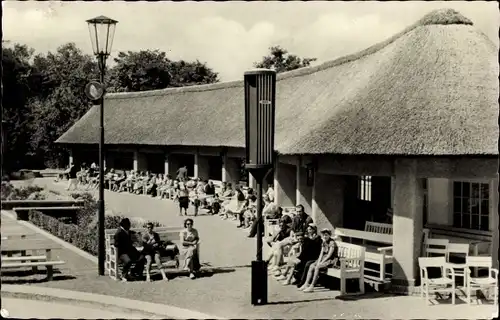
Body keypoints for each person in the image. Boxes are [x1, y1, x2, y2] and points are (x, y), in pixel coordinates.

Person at [299, 228, 339, 292]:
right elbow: (321, 253)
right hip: (324, 258)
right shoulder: (324, 242)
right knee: (312, 266)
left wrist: (321, 262)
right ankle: (306, 284)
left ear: (329, 235)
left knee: (317, 267)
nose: (325, 236)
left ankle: (312, 286)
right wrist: (319, 261)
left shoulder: (332, 243)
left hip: (331, 260)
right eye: (323, 235)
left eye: (326, 235)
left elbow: (329, 255)